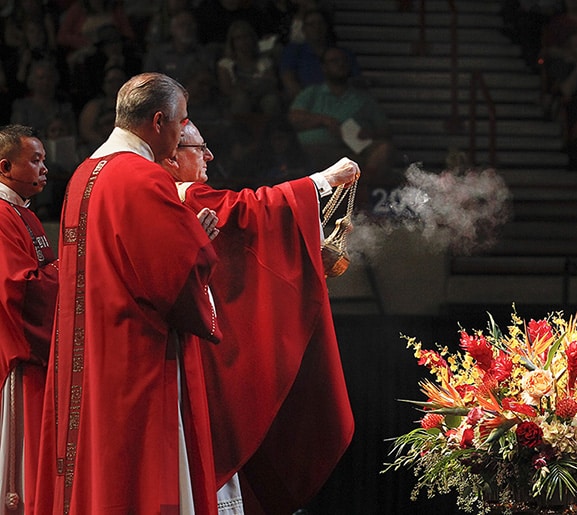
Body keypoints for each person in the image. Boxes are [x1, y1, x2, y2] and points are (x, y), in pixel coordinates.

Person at [34, 72, 225, 514]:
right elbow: (172, 275)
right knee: (134, 481)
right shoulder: (142, 177)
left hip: (88, 350)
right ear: (158, 122)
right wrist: (196, 241)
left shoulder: (85, 172)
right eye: (181, 124)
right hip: (134, 353)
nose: (181, 136)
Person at [160, 120, 355, 514]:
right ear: (172, 153)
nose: (209, 156)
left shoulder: (166, 197)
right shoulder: (184, 195)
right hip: (196, 351)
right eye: (200, 147)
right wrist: (324, 180)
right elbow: (252, 211)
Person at [0, 124, 58, 514]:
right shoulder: (2, 216)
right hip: (19, 353)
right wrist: (71, 268)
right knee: (21, 471)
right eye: (35, 160)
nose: (44, 169)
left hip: (35, 354)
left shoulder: (23, 213)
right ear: (4, 166)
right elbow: (17, 288)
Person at [289, 46, 394, 200]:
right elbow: (293, 119)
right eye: (334, 61)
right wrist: (323, 120)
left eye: (343, 61)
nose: (340, 65)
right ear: (324, 67)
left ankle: (360, 195)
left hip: (352, 153)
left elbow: (385, 130)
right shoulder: (312, 93)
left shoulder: (362, 98)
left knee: (383, 149)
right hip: (314, 152)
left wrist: (369, 134)